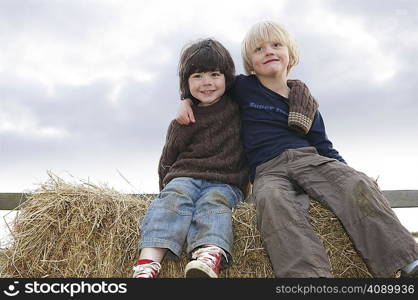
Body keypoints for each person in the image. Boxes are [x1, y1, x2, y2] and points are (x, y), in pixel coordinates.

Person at [176, 21, 418, 278]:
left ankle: (407, 262)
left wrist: (350, 171)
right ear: (250, 62)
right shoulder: (244, 87)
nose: (268, 51)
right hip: (267, 170)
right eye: (259, 49)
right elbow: (212, 84)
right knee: (272, 201)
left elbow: (324, 146)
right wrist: (185, 100)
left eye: (276, 45)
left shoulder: (305, 101)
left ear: (290, 54)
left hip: (309, 160)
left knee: (355, 184)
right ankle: (307, 279)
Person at [132, 38, 249, 278]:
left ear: (227, 77)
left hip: (226, 181)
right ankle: (147, 264)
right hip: (185, 176)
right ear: (186, 82)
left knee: (214, 202)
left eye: (214, 74)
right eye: (197, 76)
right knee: (173, 199)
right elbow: (167, 158)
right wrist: (165, 188)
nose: (207, 82)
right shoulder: (183, 120)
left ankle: (209, 254)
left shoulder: (239, 106)